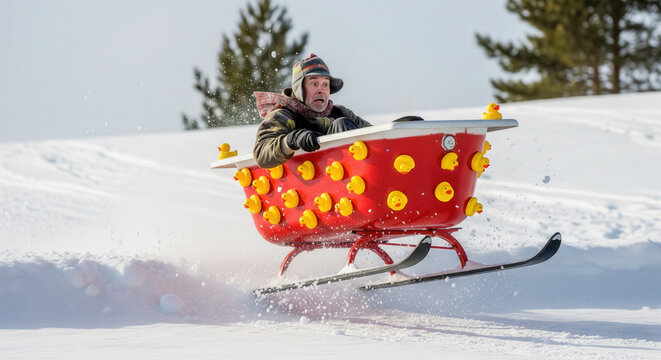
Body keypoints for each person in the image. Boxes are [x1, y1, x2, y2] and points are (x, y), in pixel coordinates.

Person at [253, 54, 372, 168]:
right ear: (299, 88)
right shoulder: (283, 115)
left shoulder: (340, 112)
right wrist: (292, 140)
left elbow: (374, 136)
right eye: (314, 83)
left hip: (355, 181)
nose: (321, 90)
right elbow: (261, 153)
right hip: (306, 180)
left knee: (342, 124)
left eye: (325, 84)